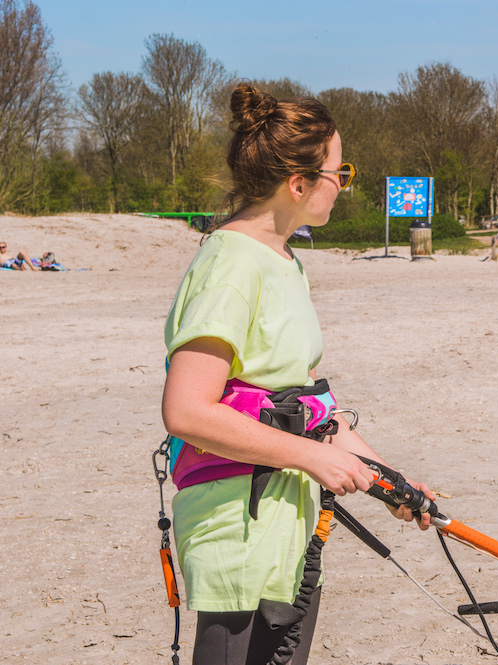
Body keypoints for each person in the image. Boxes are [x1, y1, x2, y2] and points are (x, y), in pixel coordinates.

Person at [161, 82, 434, 665]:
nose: (344, 184)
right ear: (299, 183)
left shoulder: (286, 261)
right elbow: (187, 410)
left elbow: (311, 408)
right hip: (237, 525)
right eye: (341, 171)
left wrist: (389, 481)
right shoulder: (230, 265)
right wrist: (311, 458)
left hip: (288, 521)